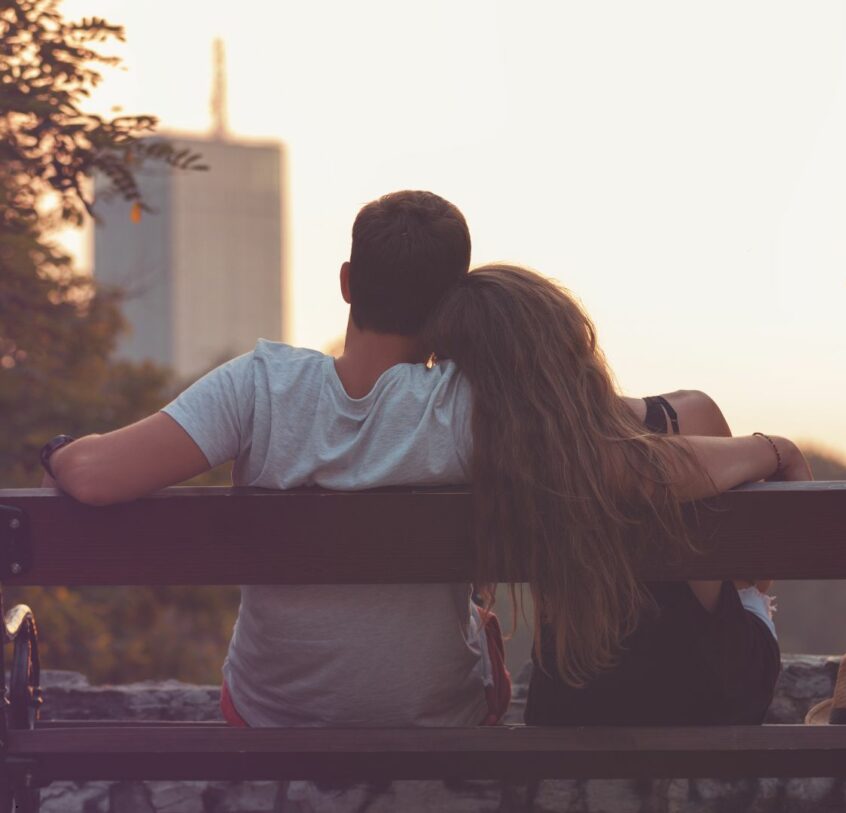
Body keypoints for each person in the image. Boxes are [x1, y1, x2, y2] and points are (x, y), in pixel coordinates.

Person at [38, 190, 512, 727]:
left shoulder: (262, 386)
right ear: (455, 301)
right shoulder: (471, 403)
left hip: (271, 717)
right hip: (439, 719)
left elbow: (94, 476)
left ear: (347, 282)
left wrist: (58, 453)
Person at [422, 264, 813, 726]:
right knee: (746, 595)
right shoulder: (688, 417)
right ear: (571, 342)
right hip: (713, 693)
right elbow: (760, 572)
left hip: (570, 700)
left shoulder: (480, 457)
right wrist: (776, 449)